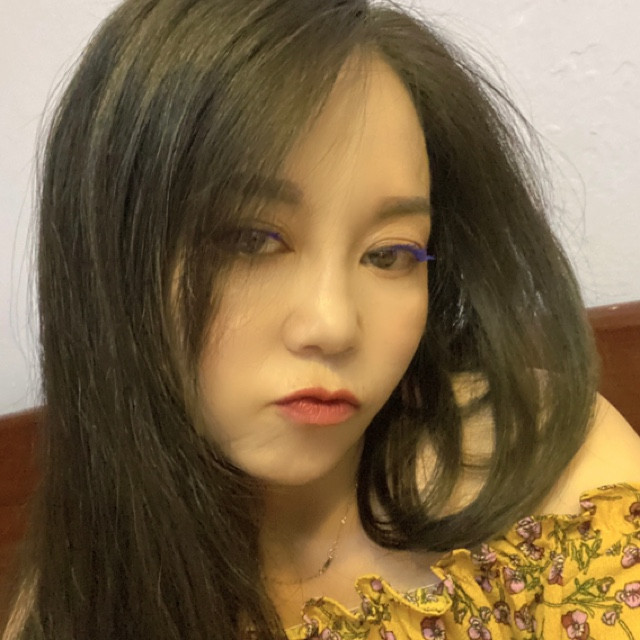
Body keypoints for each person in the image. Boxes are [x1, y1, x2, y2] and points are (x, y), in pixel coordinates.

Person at [3, 0, 640, 638]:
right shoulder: (76, 601)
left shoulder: (547, 468)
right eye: (251, 240)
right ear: (112, 259)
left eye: (390, 254)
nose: (333, 326)